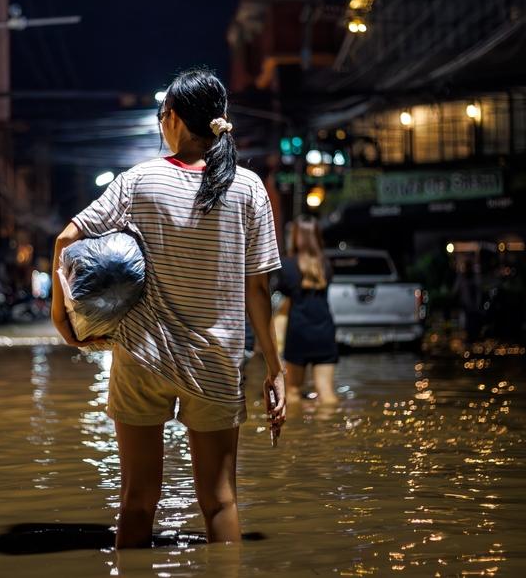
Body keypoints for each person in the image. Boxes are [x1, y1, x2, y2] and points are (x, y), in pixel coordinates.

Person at [51, 69, 285, 549]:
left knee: (137, 501)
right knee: (220, 502)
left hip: (142, 358)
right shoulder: (249, 188)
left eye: (162, 117)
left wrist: (64, 318)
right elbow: (258, 291)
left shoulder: (139, 180)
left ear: (173, 119)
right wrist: (275, 369)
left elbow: (66, 239)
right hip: (217, 364)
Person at [275, 216, 339, 405]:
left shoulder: (286, 266)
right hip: (325, 331)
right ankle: (330, 431)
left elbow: (282, 295)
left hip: (299, 331)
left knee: (293, 390)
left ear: (296, 236)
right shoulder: (326, 265)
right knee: (326, 391)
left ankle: (297, 432)